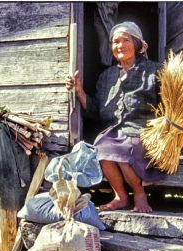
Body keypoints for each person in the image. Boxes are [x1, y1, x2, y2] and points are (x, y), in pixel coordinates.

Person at [66, 21, 166, 213]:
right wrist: (79, 91)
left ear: (137, 43)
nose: (119, 46)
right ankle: (120, 196)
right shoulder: (107, 76)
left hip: (143, 131)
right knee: (102, 146)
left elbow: (169, 104)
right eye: (115, 42)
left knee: (123, 147)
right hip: (114, 132)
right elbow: (95, 111)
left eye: (125, 40)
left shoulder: (155, 71)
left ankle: (139, 194)